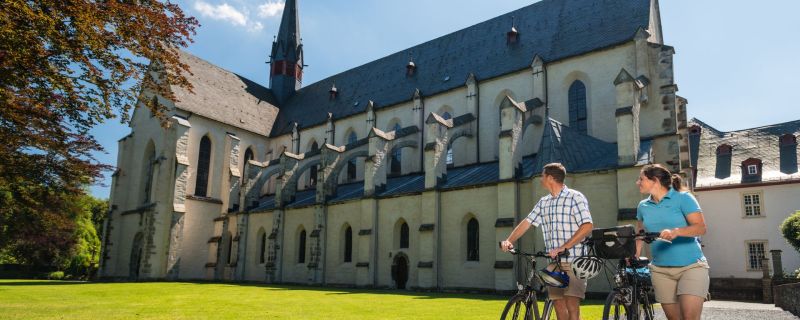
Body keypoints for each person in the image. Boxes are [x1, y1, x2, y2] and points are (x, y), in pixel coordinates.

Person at [500, 163, 593, 320]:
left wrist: (564, 247)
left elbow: (587, 225)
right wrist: (509, 240)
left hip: (574, 261)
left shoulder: (575, 197)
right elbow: (527, 222)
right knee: (558, 305)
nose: (541, 179)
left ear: (550, 178)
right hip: (554, 263)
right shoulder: (544, 202)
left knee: (572, 305)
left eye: (542, 176)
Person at [635, 164, 708, 320]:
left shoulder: (683, 198)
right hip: (660, 271)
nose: (637, 182)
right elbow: (640, 234)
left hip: (691, 266)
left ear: (654, 180)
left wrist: (676, 232)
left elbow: (701, 228)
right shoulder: (643, 206)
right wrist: (634, 255)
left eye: (641, 179)